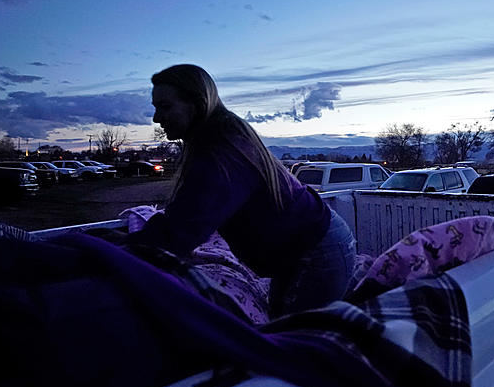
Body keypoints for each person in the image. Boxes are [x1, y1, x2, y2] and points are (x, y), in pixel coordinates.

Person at [126, 64, 355, 317]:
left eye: (165, 107)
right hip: (307, 247)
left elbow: (182, 230)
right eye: (156, 107)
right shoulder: (220, 137)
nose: (156, 118)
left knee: (292, 343)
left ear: (197, 103)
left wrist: (119, 252)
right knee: (281, 330)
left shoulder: (220, 152)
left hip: (317, 252)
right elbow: (186, 214)